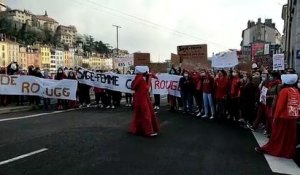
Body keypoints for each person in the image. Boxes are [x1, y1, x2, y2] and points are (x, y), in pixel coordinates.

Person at [255, 74, 300, 159]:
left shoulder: (284, 91)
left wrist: (275, 117)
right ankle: (288, 152)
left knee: (277, 136)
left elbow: (280, 106)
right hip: (293, 118)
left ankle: (273, 150)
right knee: (289, 138)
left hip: (283, 118)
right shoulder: (296, 90)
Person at [129, 66, 159, 137]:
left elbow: (133, 86)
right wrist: (149, 81)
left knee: (138, 114)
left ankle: (135, 129)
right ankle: (148, 131)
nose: (147, 73)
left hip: (138, 98)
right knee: (146, 114)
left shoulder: (137, 77)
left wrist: (151, 76)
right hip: (142, 99)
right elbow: (146, 88)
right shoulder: (141, 79)